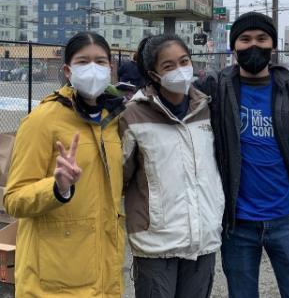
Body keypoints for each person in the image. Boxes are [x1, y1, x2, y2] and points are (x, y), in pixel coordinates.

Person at [195, 12, 289, 298]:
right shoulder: (215, 88)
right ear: (233, 46)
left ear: (273, 46)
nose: (253, 46)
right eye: (245, 39)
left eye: (262, 39)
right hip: (237, 222)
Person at [4, 31, 126, 297]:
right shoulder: (42, 120)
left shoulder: (113, 121)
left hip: (103, 276)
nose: (93, 68)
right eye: (83, 62)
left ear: (111, 68)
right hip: (51, 282)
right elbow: (13, 199)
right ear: (68, 70)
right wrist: (57, 188)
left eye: (100, 62)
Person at [119, 34, 224, 298]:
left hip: (203, 239)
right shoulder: (133, 116)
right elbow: (119, 177)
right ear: (153, 74)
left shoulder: (208, 108)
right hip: (156, 245)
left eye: (184, 61)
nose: (180, 70)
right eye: (168, 66)